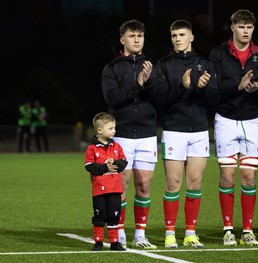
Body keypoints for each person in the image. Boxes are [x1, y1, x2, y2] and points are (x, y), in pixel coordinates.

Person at [208, 9, 258, 246]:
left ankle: (248, 230)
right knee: (227, 176)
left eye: (250, 27)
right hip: (225, 119)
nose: (246, 31)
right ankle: (227, 229)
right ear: (232, 27)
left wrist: (255, 89)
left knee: (249, 177)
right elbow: (214, 89)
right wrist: (238, 86)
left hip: (252, 120)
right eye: (242, 27)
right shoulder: (219, 53)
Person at [154, 19, 217, 249]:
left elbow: (215, 99)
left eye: (182, 35)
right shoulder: (163, 65)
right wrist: (183, 86)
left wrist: (203, 87)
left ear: (192, 38)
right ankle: (170, 233)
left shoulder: (205, 64)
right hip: (173, 130)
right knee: (173, 183)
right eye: (174, 35)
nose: (177, 39)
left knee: (195, 183)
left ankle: (190, 233)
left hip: (199, 131)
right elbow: (160, 101)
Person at [101, 19, 158, 249]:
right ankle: (120, 232)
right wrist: (138, 85)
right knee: (121, 185)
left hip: (146, 134)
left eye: (140, 36)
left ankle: (140, 234)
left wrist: (150, 83)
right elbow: (111, 98)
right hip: (122, 135)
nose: (137, 39)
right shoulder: (112, 68)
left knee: (144, 184)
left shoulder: (153, 66)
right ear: (122, 39)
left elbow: (162, 98)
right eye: (132, 36)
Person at [84, 112, 127, 251]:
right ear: (99, 130)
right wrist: (104, 167)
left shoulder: (117, 147)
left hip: (115, 189)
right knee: (99, 216)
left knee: (114, 216)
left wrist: (115, 162)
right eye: (111, 128)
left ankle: (114, 242)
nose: (114, 131)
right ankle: (98, 242)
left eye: (114, 127)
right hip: (99, 190)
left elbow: (124, 162)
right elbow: (88, 166)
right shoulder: (92, 148)